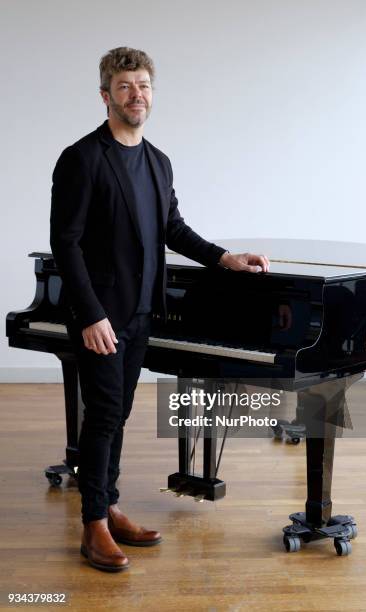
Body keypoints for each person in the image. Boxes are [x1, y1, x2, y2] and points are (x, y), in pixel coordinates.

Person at [50, 46, 269, 573]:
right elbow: (66, 243)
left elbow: (172, 229)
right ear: (106, 95)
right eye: (125, 86)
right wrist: (92, 314)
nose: (136, 95)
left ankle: (110, 503)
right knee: (103, 416)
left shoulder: (157, 161)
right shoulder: (81, 158)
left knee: (117, 413)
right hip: (100, 315)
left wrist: (223, 257)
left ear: (152, 92)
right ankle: (93, 526)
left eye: (143, 85)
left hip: (141, 312)